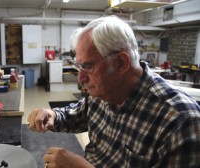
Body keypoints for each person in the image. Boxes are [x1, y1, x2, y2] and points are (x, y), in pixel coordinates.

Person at [27, 15, 200, 168]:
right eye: (79, 66)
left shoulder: (181, 123)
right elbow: (76, 115)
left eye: (87, 66)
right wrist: (52, 115)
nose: (80, 78)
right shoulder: (103, 92)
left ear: (121, 63)